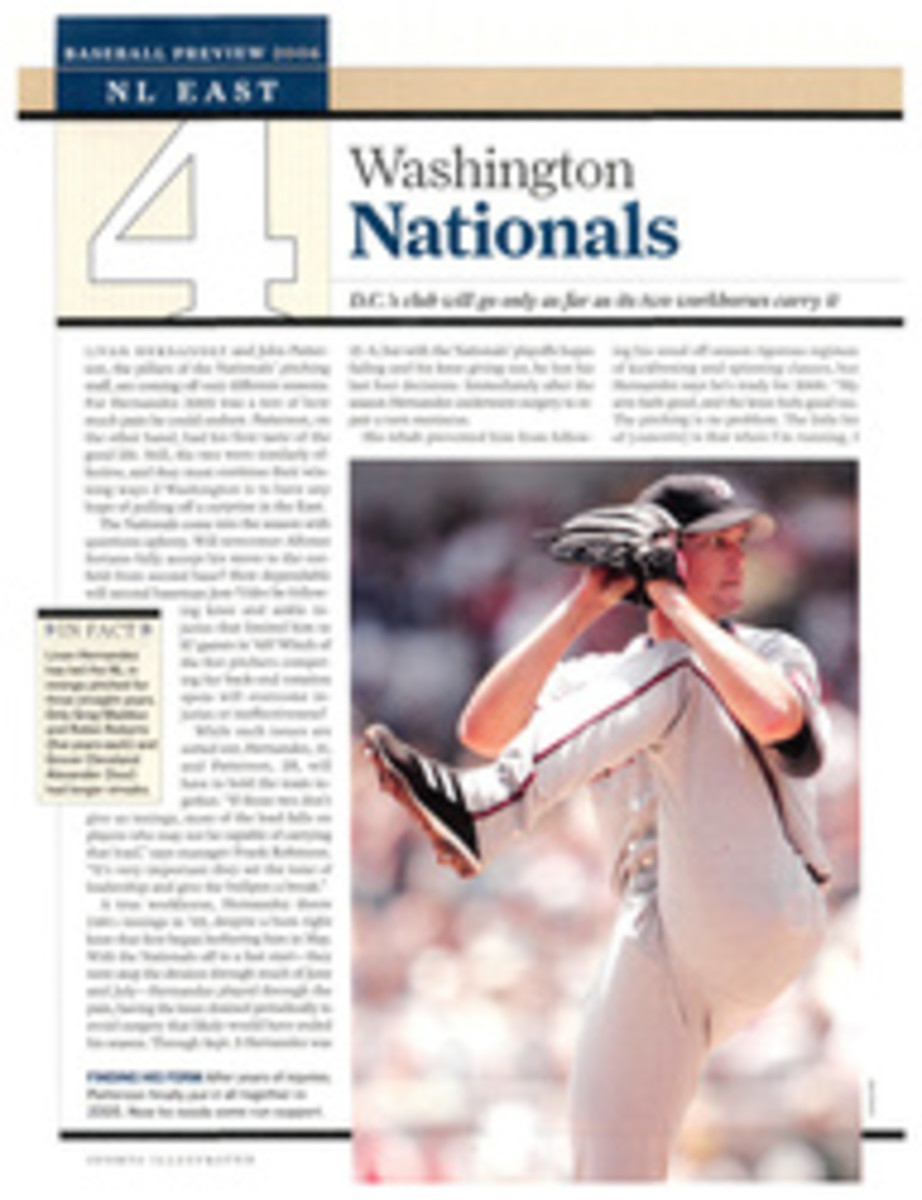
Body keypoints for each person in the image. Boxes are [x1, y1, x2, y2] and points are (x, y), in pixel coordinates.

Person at [363, 472, 833, 1181]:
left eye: (741, 543)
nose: (739, 558)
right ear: (666, 554)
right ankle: (484, 809)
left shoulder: (771, 652)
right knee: (608, 1154)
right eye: (718, 544)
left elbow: (782, 725)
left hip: (760, 904)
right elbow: (482, 730)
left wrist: (673, 599)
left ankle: (486, 814)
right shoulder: (604, 680)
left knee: (675, 665)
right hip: (656, 931)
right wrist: (584, 602)